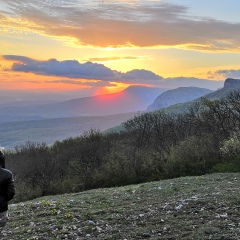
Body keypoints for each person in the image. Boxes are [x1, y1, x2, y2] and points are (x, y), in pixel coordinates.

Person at [0, 150, 15, 239]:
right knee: (1, 231)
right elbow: (11, 193)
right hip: (2, 208)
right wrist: (4, 200)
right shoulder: (8, 174)